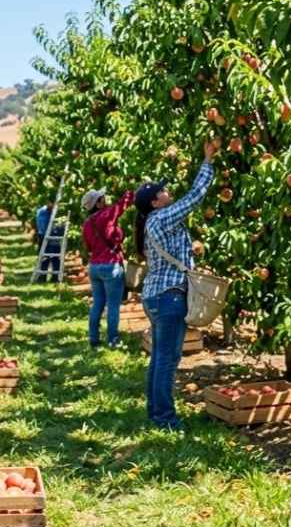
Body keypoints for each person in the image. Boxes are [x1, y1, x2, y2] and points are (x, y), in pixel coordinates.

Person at [134, 141, 217, 431]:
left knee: (160, 356)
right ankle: (165, 419)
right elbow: (194, 197)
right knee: (168, 358)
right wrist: (207, 161)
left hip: (156, 297)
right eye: (162, 191)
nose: (168, 192)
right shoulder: (162, 217)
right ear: (155, 202)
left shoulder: (152, 221)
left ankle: (155, 411)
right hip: (169, 298)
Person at [82, 187, 134, 348]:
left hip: (94, 266)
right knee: (113, 305)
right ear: (97, 204)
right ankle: (112, 340)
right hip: (110, 266)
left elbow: (88, 246)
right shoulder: (106, 215)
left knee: (97, 303)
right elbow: (122, 205)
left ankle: (94, 338)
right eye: (101, 198)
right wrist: (133, 191)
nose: (105, 199)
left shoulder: (87, 223)